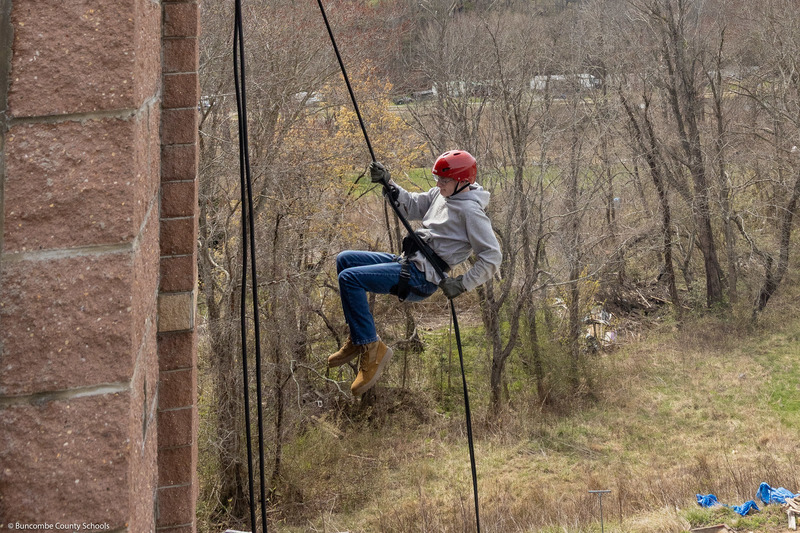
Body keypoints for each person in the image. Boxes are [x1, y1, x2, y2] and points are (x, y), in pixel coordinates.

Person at [329, 150, 501, 396]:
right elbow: (410, 206)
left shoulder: (472, 213)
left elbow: (492, 256)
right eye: (437, 180)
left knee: (349, 279)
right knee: (344, 260)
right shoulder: (441, 195)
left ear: (463, 181)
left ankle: (371, 346)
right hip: (408, 261)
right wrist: (388, 182)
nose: (438, 184)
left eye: (444, 180)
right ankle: (359, 337)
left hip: (421, 278)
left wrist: (464, 283)